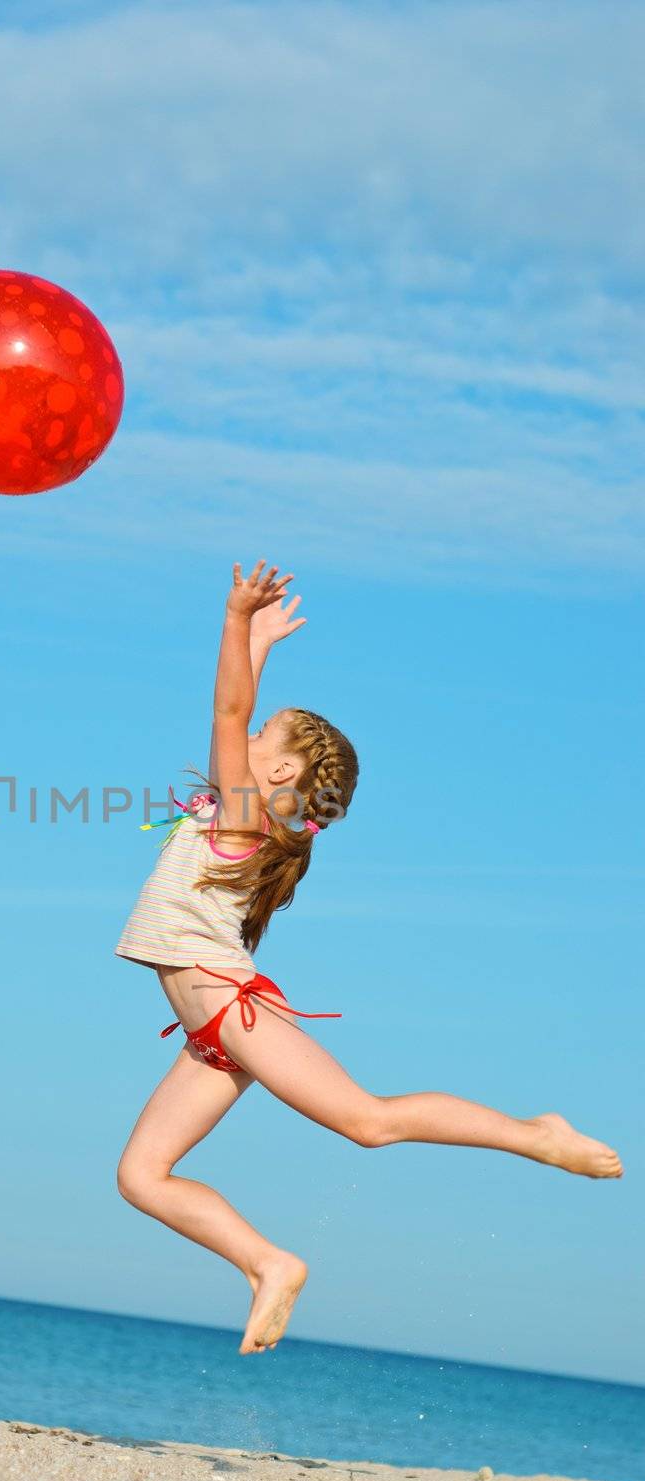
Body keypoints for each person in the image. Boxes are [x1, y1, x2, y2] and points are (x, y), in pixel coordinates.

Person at [115, 560, 623, 1356]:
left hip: (234, 1013)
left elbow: (227, 706)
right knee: (141, 1177)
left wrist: (233, 619)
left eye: (257, 740)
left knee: (367, 1122)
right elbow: (239, 708)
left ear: (274, 772)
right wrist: (258, 639)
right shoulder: (238, 809)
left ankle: (534, 1133)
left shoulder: (242, 819)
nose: (239, 741)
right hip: (206, 1036)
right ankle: (266, 1263)